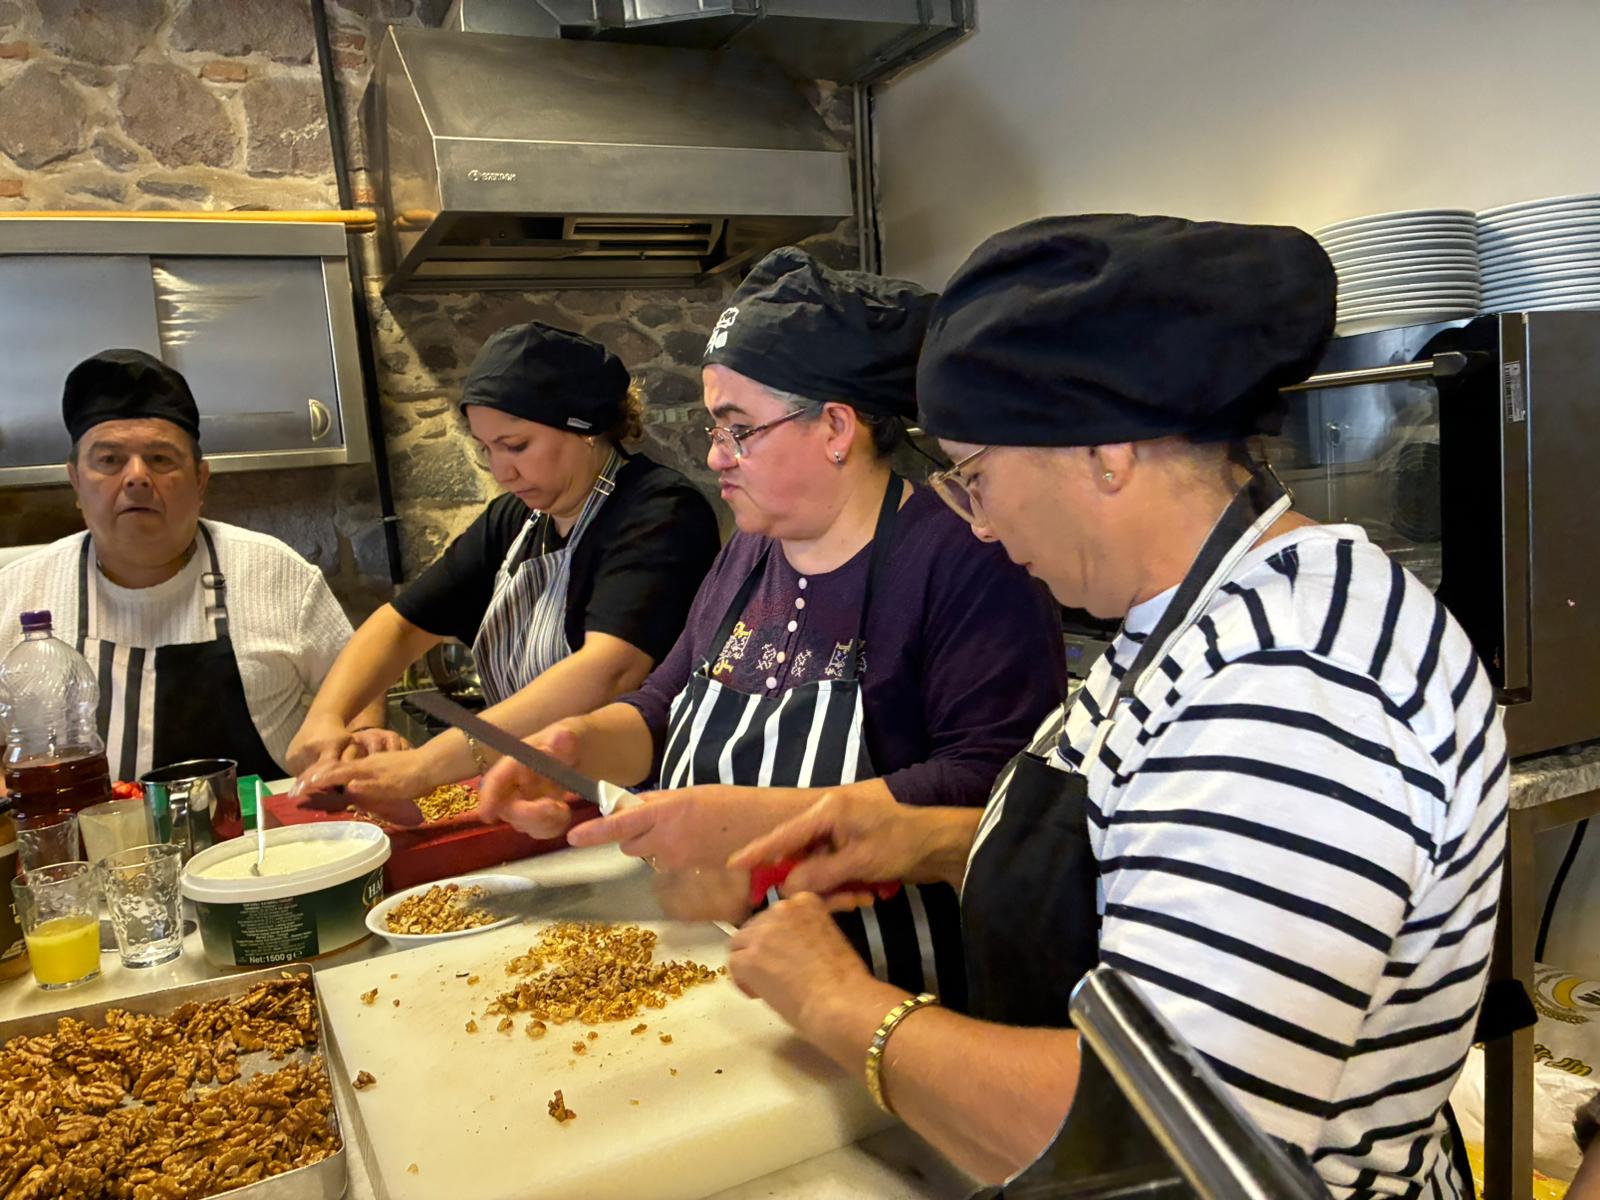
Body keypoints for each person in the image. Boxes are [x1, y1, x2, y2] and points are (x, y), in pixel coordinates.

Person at [719, 216, 1509, 1199]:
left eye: (974, 476)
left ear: (1102, 451)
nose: (979, 520)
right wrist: (927, 839)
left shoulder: (1294, 682)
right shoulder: (1180, 617)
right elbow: (1152, 850)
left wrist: (838, 1002)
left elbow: (1150, 1136)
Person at [479, 247, 1067, 1003]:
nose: (714, 456)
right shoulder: (750, 551)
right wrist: (574, 747)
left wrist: (751, 822)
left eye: (738, 430)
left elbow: (992, 787)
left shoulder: (962, 555)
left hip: (898, 995)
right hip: (739, 970)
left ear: (835, 427)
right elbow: (664, 705)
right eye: (715, 429)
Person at [288, 322, 720, 814]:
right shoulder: (515, 521)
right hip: (537, 793)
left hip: (641, 800)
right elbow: (402, 626)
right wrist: (325, 718)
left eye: (516, 446)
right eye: (486, 448)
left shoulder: (661, 511)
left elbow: (609, 671)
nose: (500, 471)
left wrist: (428, 765)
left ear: (585, 430)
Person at [0, 349, 363, 781]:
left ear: (200, 480)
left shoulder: (276, 573)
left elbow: (360, 696)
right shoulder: (16, 592)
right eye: (109, 460)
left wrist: (362, 738)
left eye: (160, 459)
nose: (136, 478)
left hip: (268, 842)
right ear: (76, 481)